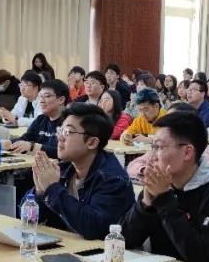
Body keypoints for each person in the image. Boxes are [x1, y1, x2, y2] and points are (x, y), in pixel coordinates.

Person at [120, 111, 209, 262]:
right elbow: (123, 241)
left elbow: (198, 255)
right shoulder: (160, 183)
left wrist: (164, 198)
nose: (152, 157)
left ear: (187, 152)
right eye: (153, 147)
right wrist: (145, 204)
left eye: (159, 147)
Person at [30, 103, 134, 240]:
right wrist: (39, 192)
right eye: (60, 130)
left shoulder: (113, 179)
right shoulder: (64, 168)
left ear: (92, 143)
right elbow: (29, 218)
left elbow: (93, 228)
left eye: (68, 132)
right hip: (65, 246)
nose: (60, 137)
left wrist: (52, 189)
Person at [4, 79, 68, 156]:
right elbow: (26, 138)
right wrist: (9, 143)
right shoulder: (40, 119)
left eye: (47, 96)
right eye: (40, 96)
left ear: (61, 100)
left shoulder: (69, 123)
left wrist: (33, 147)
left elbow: (66, 152)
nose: (41, 101)